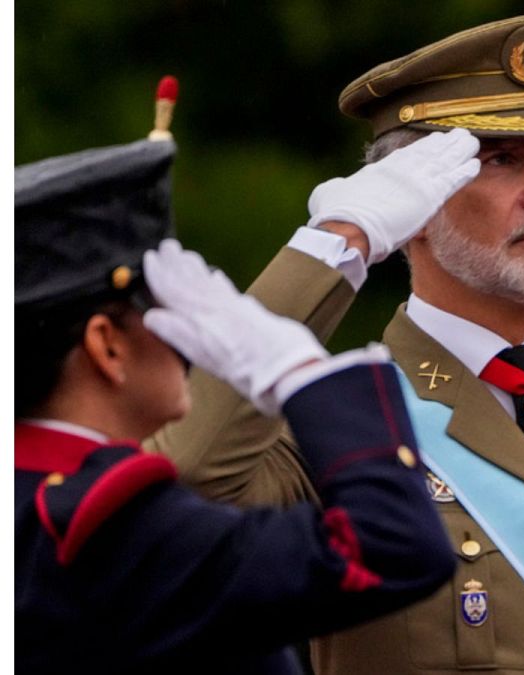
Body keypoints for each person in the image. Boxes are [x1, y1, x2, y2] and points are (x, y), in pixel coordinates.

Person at [148, 14, 524, 675]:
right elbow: (189, 478)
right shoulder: (334, 421)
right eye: (502, 161)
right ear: (412, 199)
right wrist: (341, 239)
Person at [14, 134, 470, 673]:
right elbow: (395, 548)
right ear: (107, 345)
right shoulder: (106, 529)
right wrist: (298, 371)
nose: (192, 334)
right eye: (170, 307)